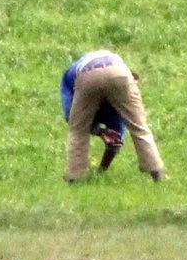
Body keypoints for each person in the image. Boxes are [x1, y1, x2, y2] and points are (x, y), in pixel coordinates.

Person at [61, 49, 163, 183]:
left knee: (78, 131)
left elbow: (70, 116)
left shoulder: (69, 76)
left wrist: (97, 130)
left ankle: (75, 177)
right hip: (119, 74)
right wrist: (102, 168)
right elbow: (117, 138)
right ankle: (156, 174)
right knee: (139, 127)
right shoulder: (122, 75)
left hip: (88, 75)